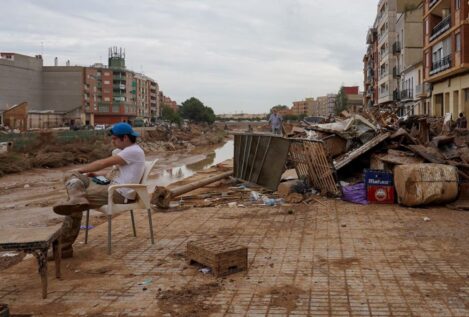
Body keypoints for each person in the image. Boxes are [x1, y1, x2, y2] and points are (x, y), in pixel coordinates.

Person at [52, 122, 146, 258]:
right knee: (70, 176)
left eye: (114, 138)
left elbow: (103, 162)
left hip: (119, 193)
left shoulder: (133, 151)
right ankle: (77, 197)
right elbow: (115, 172)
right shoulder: (128, 151)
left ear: (125, 138)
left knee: (73, 205)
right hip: (112, 186)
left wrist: (82, 169)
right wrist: (96, 175)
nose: (112, 141)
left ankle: (63, 248)